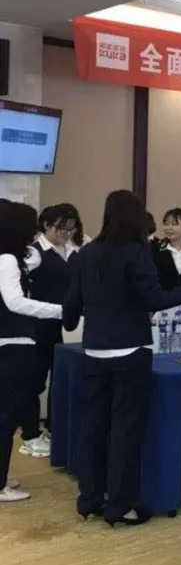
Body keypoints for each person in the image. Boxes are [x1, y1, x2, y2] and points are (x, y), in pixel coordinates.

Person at [63, 190, 181, 525]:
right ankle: (120, 505)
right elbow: (156, 300)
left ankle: (90, 498)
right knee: (125, 429)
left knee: (93, 425)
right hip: (130, 350)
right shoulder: (137, 252)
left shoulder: (87, 252)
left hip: (94, 349)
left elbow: (72, 306)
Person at [0, 201, 64, 502]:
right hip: (12, 345)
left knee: (6, 416)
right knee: (5, 418)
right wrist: (59, 310)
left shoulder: (14, 258)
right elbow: (16, 302)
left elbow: (34, 256)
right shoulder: (7, 260)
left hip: (10, 344)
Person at [19, 203, 80, 460]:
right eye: (61, 227)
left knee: (61, 381)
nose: (66, 233)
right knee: (34, 381)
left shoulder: (76, 251)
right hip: (39, 326)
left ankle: (55, 430)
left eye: (71, 228)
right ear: (46, 225)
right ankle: (30, 434)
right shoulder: (34, 253)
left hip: (69, 327)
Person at [153, 208, 181, 292]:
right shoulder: (156, 249)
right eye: (166, 224)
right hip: (164, 298)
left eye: (174, 224)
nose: (169, 228)